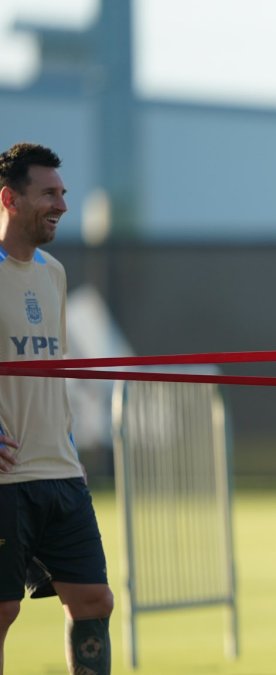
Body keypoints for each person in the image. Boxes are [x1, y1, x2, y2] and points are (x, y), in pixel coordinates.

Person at [0, 142, 114, 675]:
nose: (62, 205)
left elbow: (55, 370)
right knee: (1, 611)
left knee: (94, 601)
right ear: (10, 199)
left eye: (64, 194)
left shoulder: (54, 273)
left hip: (62, 473)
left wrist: (68, 444)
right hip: (5, 480)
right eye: (49, 193)